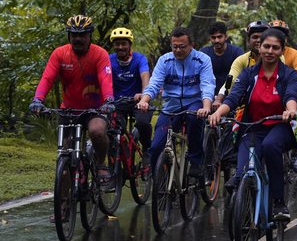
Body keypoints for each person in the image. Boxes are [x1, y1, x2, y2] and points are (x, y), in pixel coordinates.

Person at [208, 29, 297, 221]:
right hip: (253, 127)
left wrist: (290, 110)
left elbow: (291, 95)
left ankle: (279, 203)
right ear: (259, 47)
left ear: (282, 51)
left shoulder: (289, 75)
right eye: (266, 46)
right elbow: (233, 97)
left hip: (280, 126)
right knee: (241, 174)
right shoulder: (249, 74)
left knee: (270, 146)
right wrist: (217, 113)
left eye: (275, 48)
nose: (270, 51)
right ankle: (247, 203)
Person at [30, 15, 115, 185]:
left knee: (97, 131)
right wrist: (38, 100)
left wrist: (108, 101)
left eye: (82, 35)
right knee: (65, 157)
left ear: (90, 35)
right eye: (74, 35)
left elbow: (106, 79)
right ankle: (63, 207)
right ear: (69, 36)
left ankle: (101, 163)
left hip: (96, 109)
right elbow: (47, 78)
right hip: (69, 110)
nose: (78, 39)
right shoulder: (60, 54)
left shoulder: (100, 54)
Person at [136, 28, 215, 178]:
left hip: (194, 103)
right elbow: (154, 84)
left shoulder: (203, 60)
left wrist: (206, 107)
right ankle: (159, 181)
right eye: (174, 47)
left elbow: (207, 85)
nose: (178, 50)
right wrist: (144, 101)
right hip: (171, 106)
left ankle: (196, 161)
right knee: (156, 146)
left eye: (182, 46)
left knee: (194, 118)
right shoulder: (164, 60)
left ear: (192, 45)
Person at [108, 27, 153, 164]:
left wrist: (144, 95)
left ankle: (146, 148)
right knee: (111, 129)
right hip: (117, 102)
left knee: (142, 122)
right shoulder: (109, 59)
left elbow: (145, 76)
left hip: (138, 101)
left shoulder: (139, 59)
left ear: (130, 45)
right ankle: (114, 163)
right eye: (117, 44)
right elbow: (103, 79)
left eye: (124, 43)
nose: (120, 47)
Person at [200, 21, 244, 94]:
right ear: (209, 38)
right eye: (213, 37)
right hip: (209, 94)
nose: (217, 40)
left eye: (219, 37)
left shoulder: (236, 52)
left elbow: (241, 77)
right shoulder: (204, 53)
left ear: (226, 36)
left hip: (231, 94)